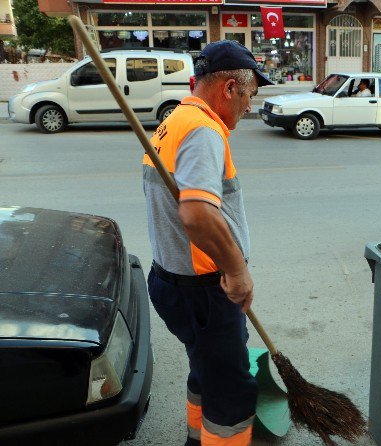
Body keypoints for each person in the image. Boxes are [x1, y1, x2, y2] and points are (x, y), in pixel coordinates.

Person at [143, 40, 272, 446]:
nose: (249, 107)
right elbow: (197, 213)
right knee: (231, 397)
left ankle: (197, 439)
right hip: (203, 292)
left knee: (205, 371)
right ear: (229, 88)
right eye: (249, 95)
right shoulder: (203, 131)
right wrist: (236, 271)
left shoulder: (174, 120)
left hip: (171, 281)